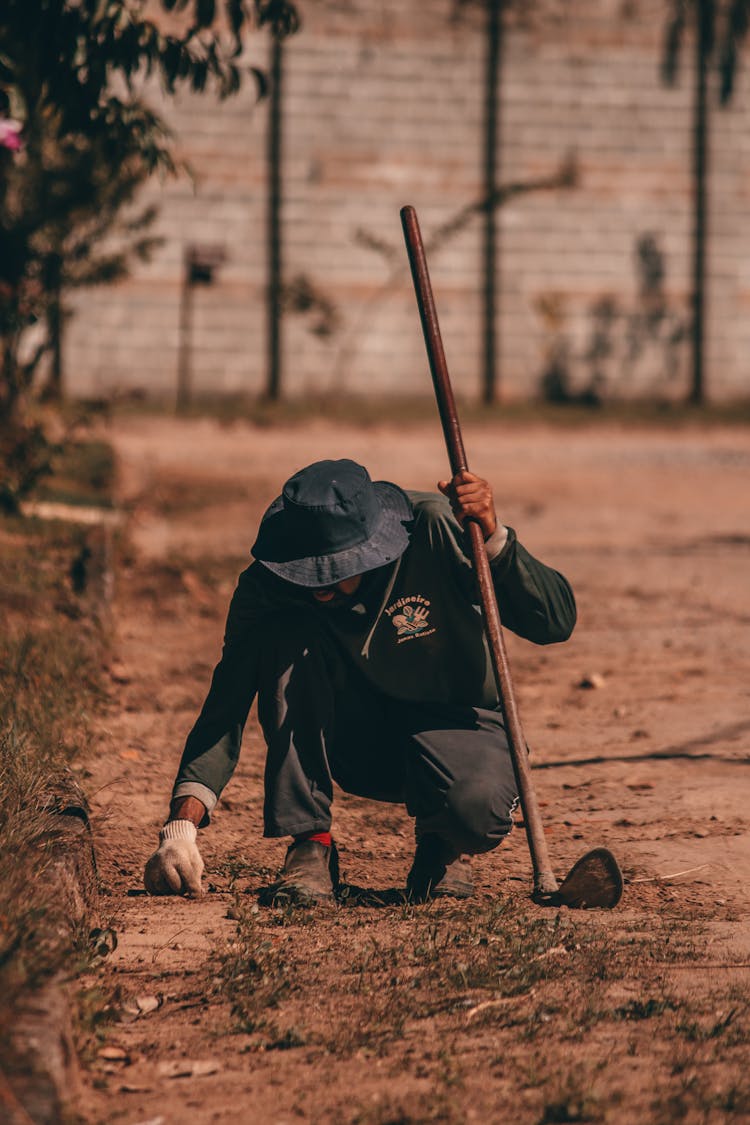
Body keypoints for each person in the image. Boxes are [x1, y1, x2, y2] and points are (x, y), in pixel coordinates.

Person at [144, 458, 576, 904]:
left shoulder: (434, 528)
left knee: (475, 813)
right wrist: (181, 829)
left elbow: (556, 622)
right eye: (305, 568)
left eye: (332, 568)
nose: (318, 584)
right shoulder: (267, 586)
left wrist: (492, 538)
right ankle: (311, 844)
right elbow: (225, 704)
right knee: (283, 635)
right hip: (357, 740)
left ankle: (442, 841)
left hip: (460, 723)